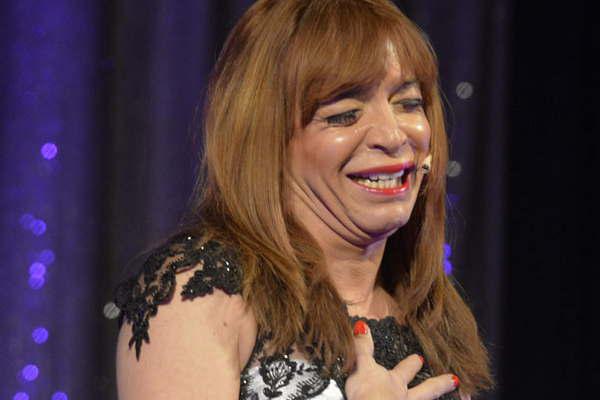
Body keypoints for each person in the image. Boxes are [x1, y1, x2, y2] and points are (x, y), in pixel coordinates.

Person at [112, 0, 495, 399]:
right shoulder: (202, 291)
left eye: (408, 104)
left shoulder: (431, 318)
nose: (393, 135)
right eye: (344, 114)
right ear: (268, 139)